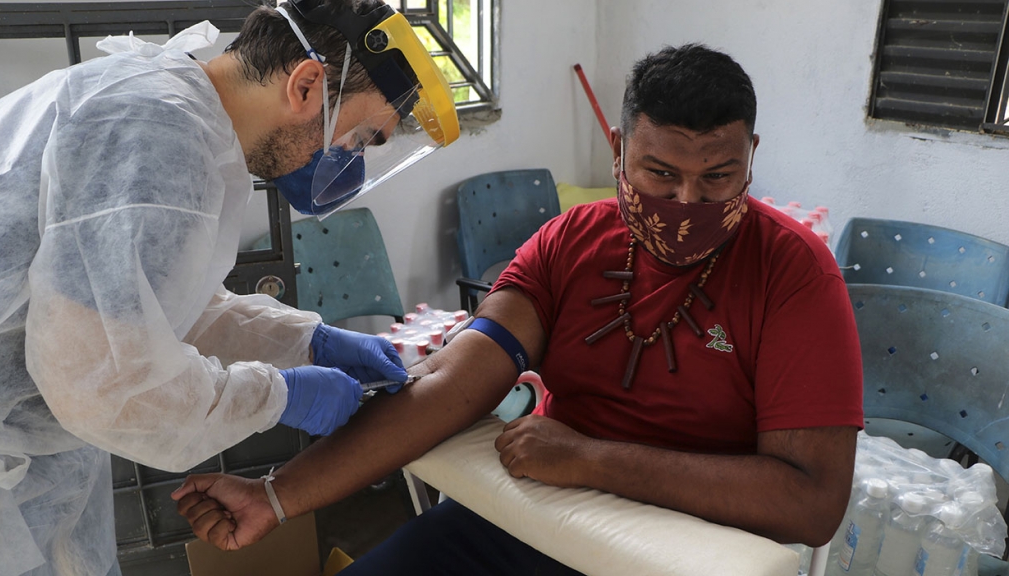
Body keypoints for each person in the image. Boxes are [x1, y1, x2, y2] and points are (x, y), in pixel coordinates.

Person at [174, 44, 864, 574]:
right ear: (619, 152)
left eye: (719, 177)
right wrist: (276, 496)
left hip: (684, 550)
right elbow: (449, 389)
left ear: (752, 158)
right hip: (539, 520)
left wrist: (595, 461)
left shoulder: (795, 274)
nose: (687, 205)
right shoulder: (573, 241)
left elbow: (810, 504)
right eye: (661, 174)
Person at [0, 0, 459, 574]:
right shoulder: (157, 134)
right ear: (306, 85)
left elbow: (138, 307)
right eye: (357, 138)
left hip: (17, 443)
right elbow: (100, 380)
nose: (348, 164)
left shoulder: (186, 121)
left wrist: (307, 342)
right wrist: (281, 394)